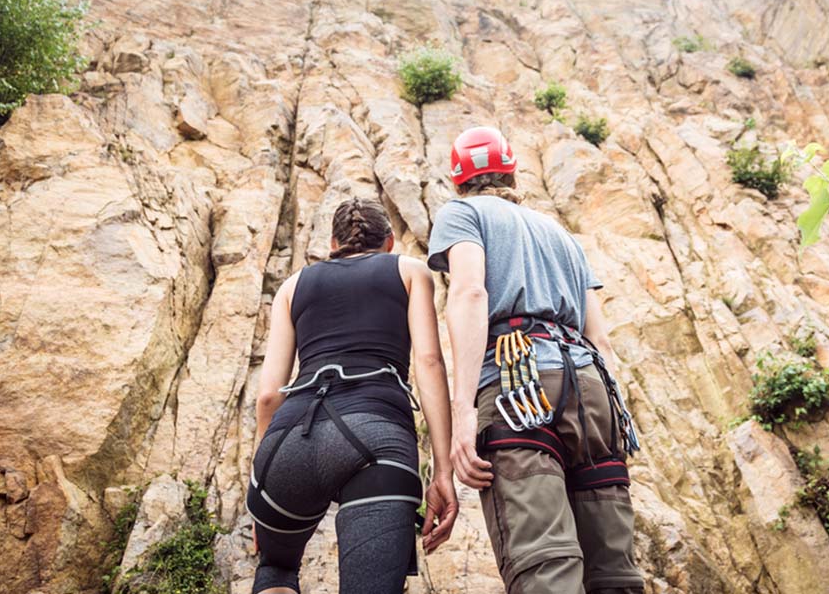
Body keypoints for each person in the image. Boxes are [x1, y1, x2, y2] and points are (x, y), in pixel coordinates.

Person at [427, 126, 644, 594]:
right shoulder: (560, 233)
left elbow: (469, 291)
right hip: (590, 389)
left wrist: (463, 412)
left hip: (516, 384)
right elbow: (599, 337)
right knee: (614, 572)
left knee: (544, 562)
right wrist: (616, 417)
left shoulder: (462, 214)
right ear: (511, 171)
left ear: (458, 178)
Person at [247, 197, 458, 594]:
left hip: (289, 439)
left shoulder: (293, 286)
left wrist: (263, 476)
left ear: (332, 244)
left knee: (275, 568)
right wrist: (442, 471)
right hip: (376, 435)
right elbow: (429, 362)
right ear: (390, 241)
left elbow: (267, 397)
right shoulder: (410, 271)